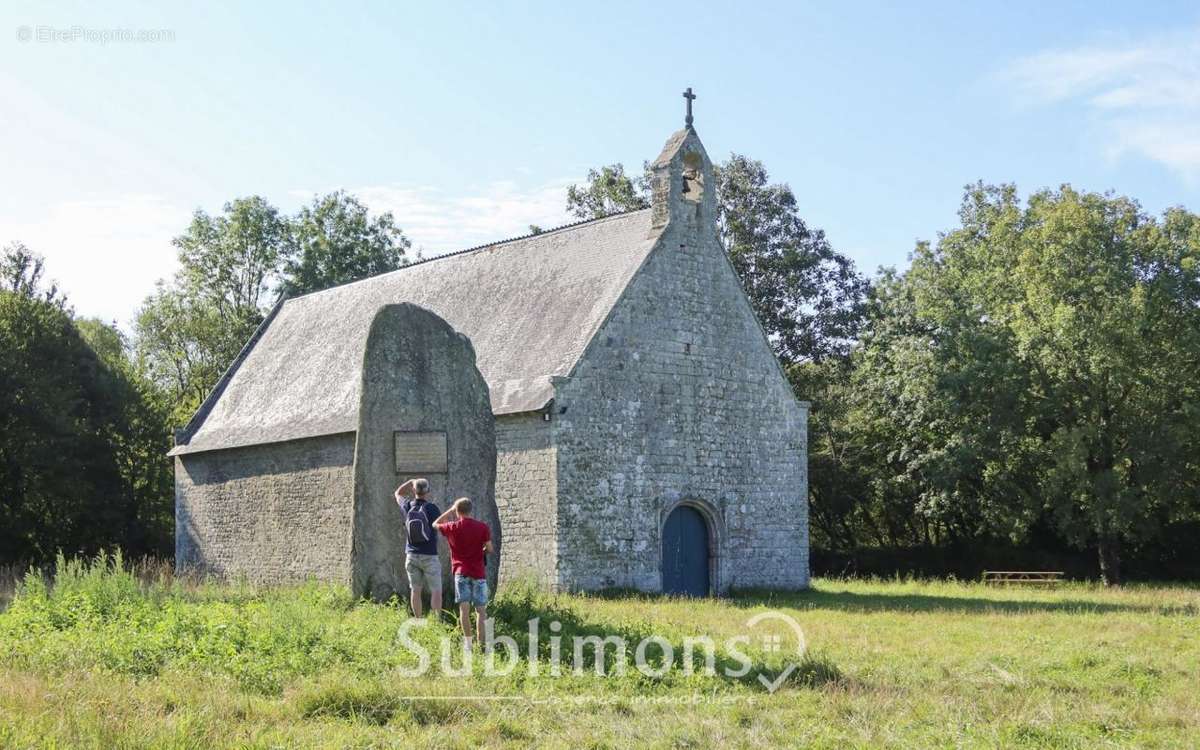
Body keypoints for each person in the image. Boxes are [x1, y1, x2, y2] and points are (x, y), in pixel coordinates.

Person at [433, 497, 493, 649]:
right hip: (478, 573)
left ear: (458, 511)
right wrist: (481, 552)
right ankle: (482, 644)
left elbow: (435, 524)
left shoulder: (452, 527)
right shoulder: (482, 527)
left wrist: (450, 510)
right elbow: (490, 549)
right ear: (470, 510)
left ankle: (468, 644)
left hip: (460, 572)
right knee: (481, 610)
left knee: (464, 609)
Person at [395, 478, 441, 618]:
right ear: (427, 491)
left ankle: (418, 620)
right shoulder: (432, 508)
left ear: (414, 490)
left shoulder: (407, 506)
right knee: (436, 591)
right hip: (430, 555)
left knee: (415, 590)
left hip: (411, 555)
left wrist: (410, 482)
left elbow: (397, 493)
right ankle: (436, 621)